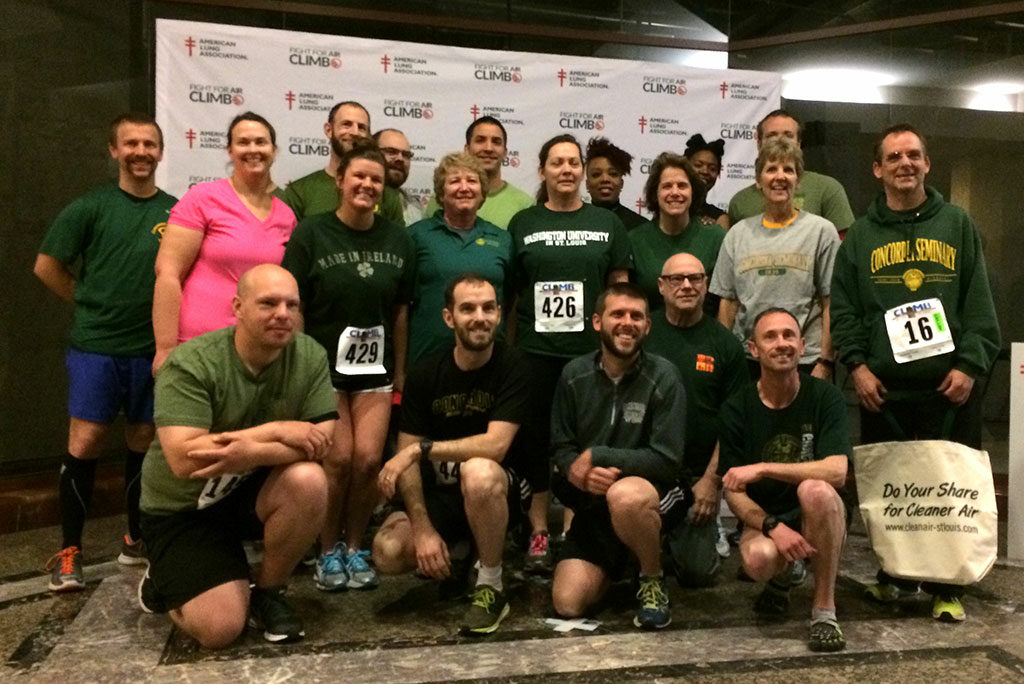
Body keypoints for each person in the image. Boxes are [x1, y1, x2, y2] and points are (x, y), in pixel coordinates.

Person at [830, 123, 1001, 622]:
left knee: (948, 490)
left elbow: (978, 302)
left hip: (950, 387)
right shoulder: (860, 236)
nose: (905, 163)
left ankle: (949, 587)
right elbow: (844, 309)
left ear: (927, 164)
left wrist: (971, 365)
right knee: (894, 492)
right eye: (894, 157)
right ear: (877, 169)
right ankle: (896, 577)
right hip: (884, 389)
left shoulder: (958, 224)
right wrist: (857, 366)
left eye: (914, 155)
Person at [137, 265, 336, 648]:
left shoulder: (308, 354)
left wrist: (249, 453)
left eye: (291, 305)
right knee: (220, 629)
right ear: (238, 307)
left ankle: (269, 592)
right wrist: (273, 432)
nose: (282, 313)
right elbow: (184, 457)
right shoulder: (191, 362)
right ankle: (165, 577)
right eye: (268, 303)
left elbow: (322, 439)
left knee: (309, 479)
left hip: (247, 492)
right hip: (182, 507)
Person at [36, 113, 177, 591]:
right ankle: (69, 551)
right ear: (114, 151)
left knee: (143, 440)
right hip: (96, 348)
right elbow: (46, 266)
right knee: (88, 440)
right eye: (130, 144)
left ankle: (134, 538)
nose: (141, 151)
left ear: (161, 152)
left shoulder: (176, 211)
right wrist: (88, 301)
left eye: (149, 144)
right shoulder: (89, 207)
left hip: (150, 350)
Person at [282, 139, 415, 593]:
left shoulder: (399, 238)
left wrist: (399, 371)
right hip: (323, 369)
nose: (367, 185)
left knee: (367, 460)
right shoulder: (310, 233)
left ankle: (355, 545)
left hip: (374, 370)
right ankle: (325, 550)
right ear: (339, 180)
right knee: (335, 461)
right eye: (358, 176)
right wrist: (301, 365)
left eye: (375, 179)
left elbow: (400, 309)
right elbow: (294, 301)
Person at [373, 275, 533, 635]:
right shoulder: (427, 372)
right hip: (442, 496)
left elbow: (495, 446)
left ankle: (491, 584)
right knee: (388, 550)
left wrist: (421, 450)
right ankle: (461, 552)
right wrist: (422, 527)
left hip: (498, 490)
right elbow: (406, 461)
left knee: (478, 471)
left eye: (489, 308)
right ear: (449, 318)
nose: (480, 317)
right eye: (468, 309)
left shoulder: (515, 366)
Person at [507, 133, 633, 573]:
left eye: (573, 163)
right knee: (537, 442)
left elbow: (619, 289)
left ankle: (576, 530)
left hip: (589, 355)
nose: (566, 170)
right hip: (536, 351)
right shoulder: (523, 223)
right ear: (542, 170)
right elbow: (512, 295)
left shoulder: (607, 224)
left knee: (587, 443)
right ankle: (540, 529)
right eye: (556, 162)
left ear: (582, 171)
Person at [549, 283, 687, 630]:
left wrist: (598, 455)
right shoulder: (573, 376)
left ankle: (651, 577)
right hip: (593, 504)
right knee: (568, 603)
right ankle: (624, 560)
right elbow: (561, 449)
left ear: (647, 326)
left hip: (651, 495)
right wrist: (577, 472)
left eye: (637, 316)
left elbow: (667, 461)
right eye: (618, 314)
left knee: (624, 496)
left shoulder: (664, 376)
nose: (628, 323)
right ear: (597, 321)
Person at [719, 308, 850, 652]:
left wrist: (763, 467)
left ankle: (824, 611)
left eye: (789, 336)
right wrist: (772, 526)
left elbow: (837, 471)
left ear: (803, 345)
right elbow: (734, 492)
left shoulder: (825, 396)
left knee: (815, 490)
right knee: (758, 561)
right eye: (771, 337)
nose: (782, 344)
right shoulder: (736, 407)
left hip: (820, 515)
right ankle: (784, 575)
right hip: (768, 518)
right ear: (753, 349)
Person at [152, 111, 296, 373]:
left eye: (261, 142)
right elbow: (168, 273)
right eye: (243, 142)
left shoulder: (286, 216)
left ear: (273, 150)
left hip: (259, 353)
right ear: (230, 150)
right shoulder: (202, 198)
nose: (253, 149)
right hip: (198, 348)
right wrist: (165, 348)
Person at [645, 253, 747, 584]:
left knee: (697, 574)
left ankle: (688, 534)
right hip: (643, 473)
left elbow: (733, 423)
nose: (687, 285)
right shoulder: (642, 332)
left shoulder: (725, 344)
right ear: (661, 286)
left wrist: (710, 482)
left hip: (695, 480)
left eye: (696, 278)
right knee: (622, 571)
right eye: (677, 279)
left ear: (707, 285)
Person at [710, 137, 839, 379]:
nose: (780, 177)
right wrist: (724, 359)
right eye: (771, 169)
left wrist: (825, 361)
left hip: (805, 361)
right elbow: (727, 303)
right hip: (748, 358)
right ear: (759, 181)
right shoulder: (738, 234)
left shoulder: (821, 232)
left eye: (788, 170)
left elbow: (830, 301)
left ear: (798, 180)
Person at [408, 152, 512, 366]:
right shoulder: (416, 237)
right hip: (428, 362)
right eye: (455, 181)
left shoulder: (502, 239)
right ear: (441, 193)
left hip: (490, 362)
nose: (464, 188)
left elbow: (512, 303)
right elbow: (400, 305)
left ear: (482, 192)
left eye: (472, 181)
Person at [727, 110, 855, 232]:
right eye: (772, 136)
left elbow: (843, 248)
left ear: (799, 143)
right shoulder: (740, 202)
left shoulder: (827, 190)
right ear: (759, 143)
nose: (780, 141)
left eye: (788, 136)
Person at [280, 101, 404, 224]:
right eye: (346, 124)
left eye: (361, 127)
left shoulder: (386, 195)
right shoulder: (299, 192)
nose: (355, 132)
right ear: (329, 130)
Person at [629, 152, 725, 310]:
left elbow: (725, 300)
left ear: (693, 192)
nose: (675, 192)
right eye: (667, 186)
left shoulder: (716, 237)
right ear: (655, 193)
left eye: (682, 185)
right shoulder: (635, 240)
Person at [425, 116, 534, 229]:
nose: (488, 148)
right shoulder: (444, 198)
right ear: (467, 149)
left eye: (496, 142)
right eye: (480, 140)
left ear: (505, 153)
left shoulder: (524, 204)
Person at [584, 136, 647, 230]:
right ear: (587, 184)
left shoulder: (640, 227)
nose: (605, 179)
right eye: (596, 174)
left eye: (613, 174)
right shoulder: (575, 224)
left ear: (621, 183)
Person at [374, 128, 423, 225]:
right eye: (391, 151)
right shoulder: (353, 200)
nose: (400, 159)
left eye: (406, 155)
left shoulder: (416, 208)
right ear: (372, 153)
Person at [684, 133, 730, 229]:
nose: (705, 171)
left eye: (712, 169)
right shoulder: (670, 207)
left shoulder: (720, 219)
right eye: (698, 165)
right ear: (685, 167)